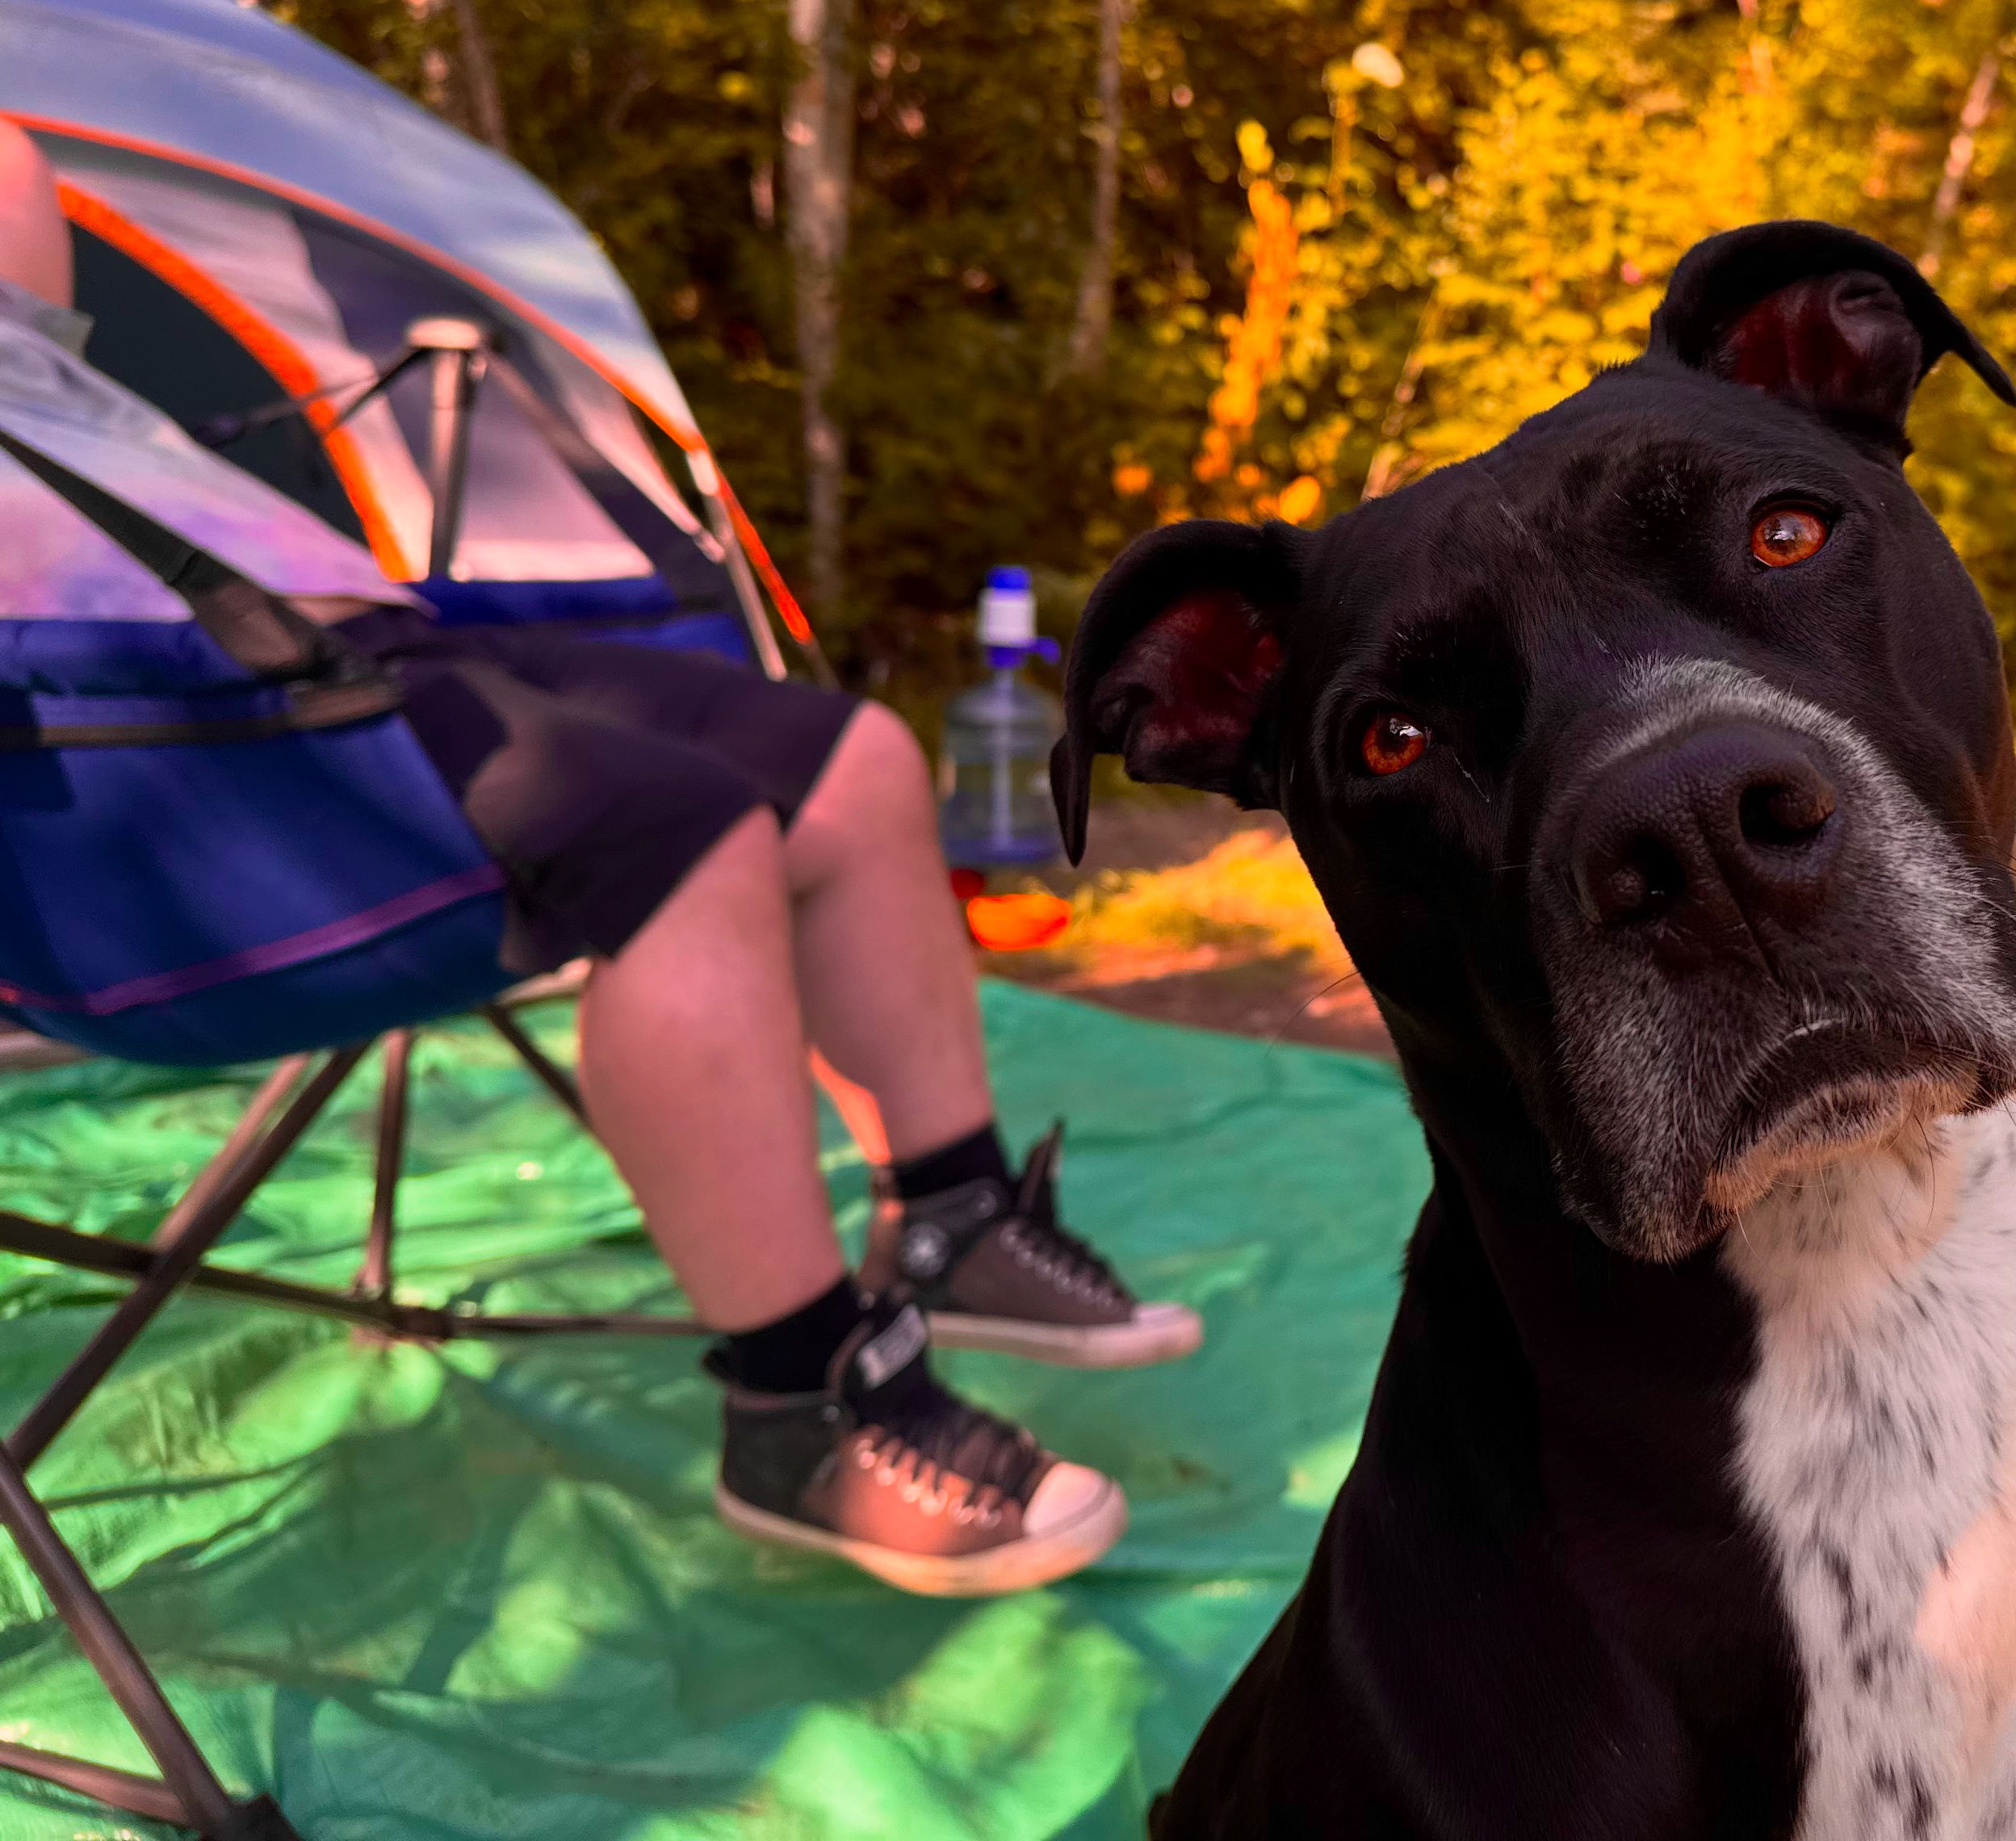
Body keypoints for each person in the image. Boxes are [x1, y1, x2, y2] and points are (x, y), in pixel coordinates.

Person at [2, 120, 1189, 1597]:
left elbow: (15, 177)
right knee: (680, 845)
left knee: (855, 764)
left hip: (346, 642)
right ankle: (798, 1403)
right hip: (136, 731)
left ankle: (951, 1217)